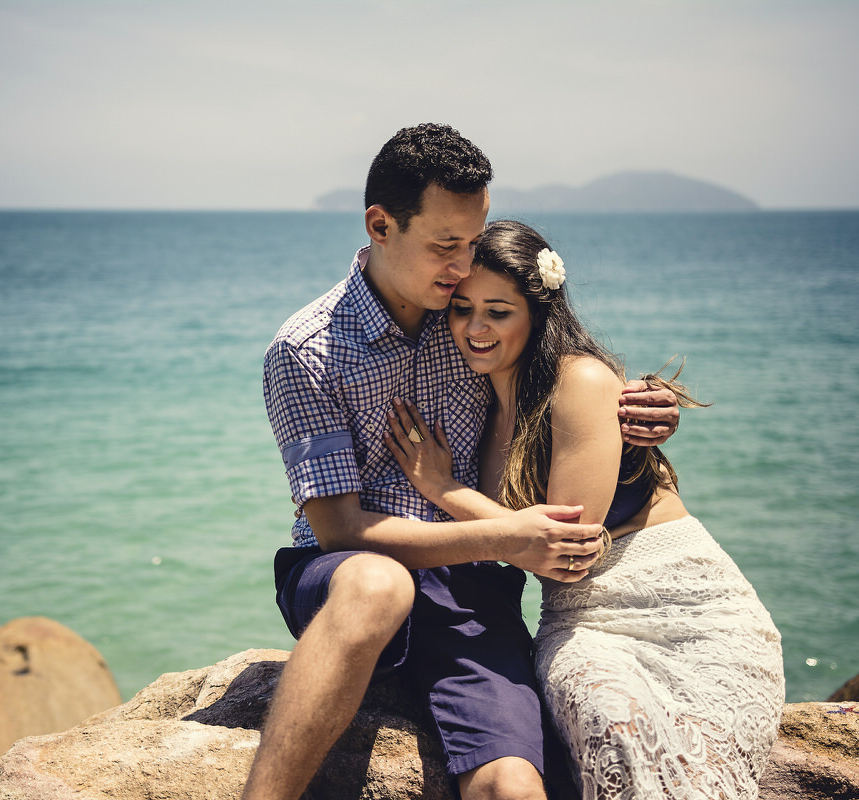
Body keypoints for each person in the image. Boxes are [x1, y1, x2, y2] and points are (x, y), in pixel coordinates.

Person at [247, 124, 681, 800]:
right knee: (378, 586)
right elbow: (339, 530)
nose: (460, 265)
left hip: (472, 596)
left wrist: (636, 408)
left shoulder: (470, 320)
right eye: (444, 245)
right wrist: (509, 535)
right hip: (342, 577)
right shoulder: (305, 351)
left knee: (512, 786)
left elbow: (559, 374)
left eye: (471, 243)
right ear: (381, 225)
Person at [384, 220, 785, 799]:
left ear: (537, 311)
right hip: (577, 617)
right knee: (598, 706)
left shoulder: (580, 379)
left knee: (624, 729)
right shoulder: (478, 396)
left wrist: (442, 488)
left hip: (686, 607)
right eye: (462, 308)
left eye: (498, 312)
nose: (474, 328)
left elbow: (567, 547)